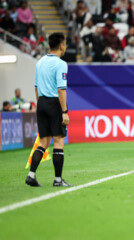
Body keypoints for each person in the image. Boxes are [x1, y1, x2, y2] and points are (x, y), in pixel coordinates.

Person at [25, 32, 72, 187]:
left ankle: (31, 175)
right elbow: (61, 90)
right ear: (61, 45)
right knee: (58, 141)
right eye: (65, 43)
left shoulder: (40, 63)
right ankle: (58, 180)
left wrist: (41, 105)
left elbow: (36, 87)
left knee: (43, 142)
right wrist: (64, 112)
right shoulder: (61, 64)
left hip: (42, 103)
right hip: (54, 104)